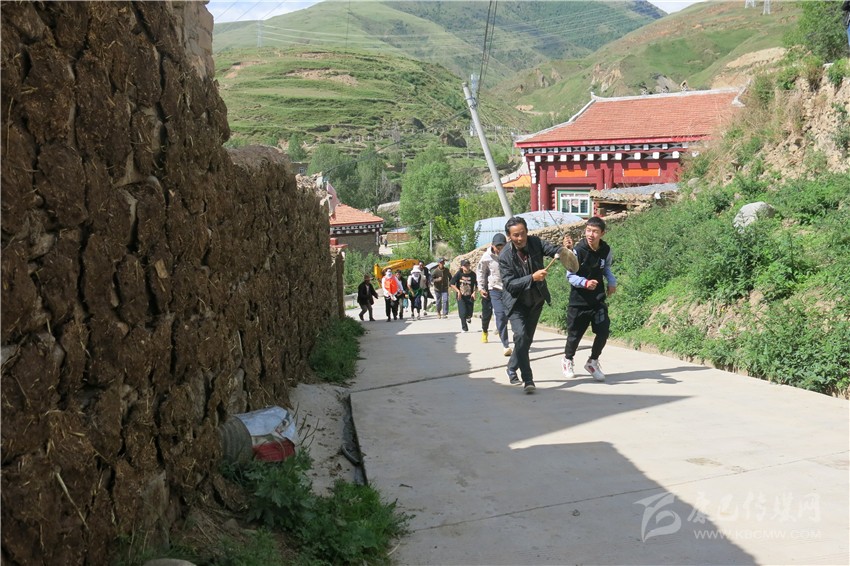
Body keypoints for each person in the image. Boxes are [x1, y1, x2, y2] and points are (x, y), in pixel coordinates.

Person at [499, 216, 571, 394]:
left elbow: (553, 250)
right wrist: (532, 277)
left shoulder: (535, 242)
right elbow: (510, 284)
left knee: (526, 340)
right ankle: (528, 379)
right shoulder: (505, 256)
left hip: (536, 301)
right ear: (509, 236)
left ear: (527, 232)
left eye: (523, 233)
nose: (520, 238)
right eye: (516, 235)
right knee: (520, 336)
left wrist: (564, 250)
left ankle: (511, 367)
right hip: (516, 303)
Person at [561, 216, 617, 382]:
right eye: (588, 230)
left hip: (597, 300)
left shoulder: (605, 250)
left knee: (603, 330)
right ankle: (567, 360)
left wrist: (611, 282)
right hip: (578, 301)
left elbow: (606, 268)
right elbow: (570, 276)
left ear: (602, 233)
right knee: (574, 335)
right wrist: (585, 283)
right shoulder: (577, 251)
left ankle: (592, 362)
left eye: (595, 231)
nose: (591, 234)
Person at [477, 233, 512, 356]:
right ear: (492, 245)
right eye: (498, 247)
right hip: (495, 289)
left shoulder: (510, 252)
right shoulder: (486, 257)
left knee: (509, 315)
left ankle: (501, 327)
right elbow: (481, 272)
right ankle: (506, 345)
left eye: (502, 246)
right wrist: (481, 288)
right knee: (500, 315)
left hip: (509, 288)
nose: (500, 249)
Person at [450, 259, 477, 332]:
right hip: (461, 296)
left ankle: (468, 317)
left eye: (468, 265)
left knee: (470, 313)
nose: (467, 267)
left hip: (470, 296)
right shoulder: (459, 274)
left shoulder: (473, 274)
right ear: (462, 266)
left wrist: (474, 292)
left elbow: (477, 284)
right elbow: (451, 283)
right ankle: (464, 328)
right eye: (465, 265)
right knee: (462, 313)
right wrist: (458, 291)